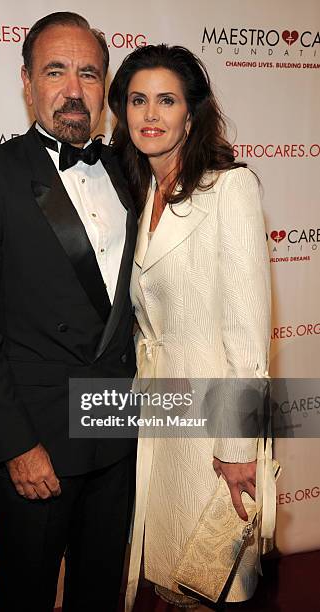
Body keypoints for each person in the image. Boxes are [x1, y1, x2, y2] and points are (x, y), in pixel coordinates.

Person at [0, 12, 137, 612]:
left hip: (120, 435)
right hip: (40, 445)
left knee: (100, 595)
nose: (74, 90)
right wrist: (15, 445)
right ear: (26, 82)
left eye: (89, 73)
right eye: (56, 71)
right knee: (25, 597)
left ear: (106, 89)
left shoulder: (130, 175)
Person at [109, 44, 272, 610]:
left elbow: (249, 334)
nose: (150, 114)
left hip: (214, 430)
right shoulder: (140, 196)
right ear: (122, 112)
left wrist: (237, 446)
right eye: (137, 100)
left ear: (191, 112)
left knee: (210, 585)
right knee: (167, 583)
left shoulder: (230, 189)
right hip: (158, 419)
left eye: (166, 100)